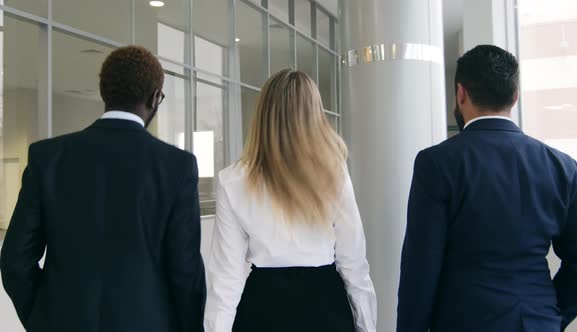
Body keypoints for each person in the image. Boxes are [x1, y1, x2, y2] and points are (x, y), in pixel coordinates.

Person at [0, 46, 206, 332]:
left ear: (104, 92)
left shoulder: (48, 158)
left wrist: (42, 318)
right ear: (155, 96)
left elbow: (15, 260)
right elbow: (185, 272)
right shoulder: (177, 167)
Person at [397, 44, 577, 332]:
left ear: (460, 94)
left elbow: (421, 269)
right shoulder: (562, 166)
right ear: (514, 96)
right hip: (537, 322)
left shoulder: (437, 163)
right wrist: (550, 314)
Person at [204, 69, 377, 332]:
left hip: (262, 309)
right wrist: (367, 326)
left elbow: (225, 280)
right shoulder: (334, 173)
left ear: (263, 114)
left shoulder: (233, 180)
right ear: (314, 114)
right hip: (326, 309)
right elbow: (353, 263)